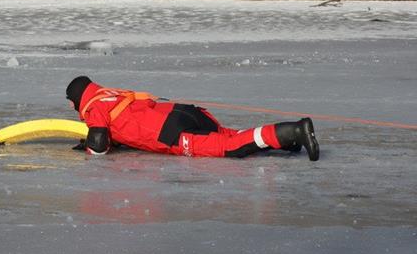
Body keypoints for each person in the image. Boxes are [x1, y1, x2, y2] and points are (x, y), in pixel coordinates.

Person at [65, 76, 319, 161]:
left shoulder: (92, 106)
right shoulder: (109, 94)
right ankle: (283, 141)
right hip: (182, 112)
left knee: (230, 148)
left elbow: (98, 143)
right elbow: (124, 125)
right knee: (230, 135)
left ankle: (294, 131)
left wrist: (89, 147)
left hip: (170, 133)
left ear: (76, 98)